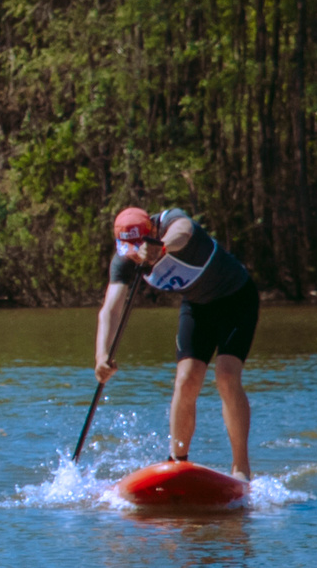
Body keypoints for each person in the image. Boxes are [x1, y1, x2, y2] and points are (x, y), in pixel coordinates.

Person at [92, 205, 259, 479]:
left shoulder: (172, 221)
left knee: (227, 376)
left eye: (138, 246)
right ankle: (177, 463)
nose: (134, 254)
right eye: (128, 248)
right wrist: (101, 357)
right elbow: (110, 310)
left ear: (152, 230)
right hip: (197, 307)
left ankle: (241, 468)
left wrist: (161, 246)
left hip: (237, 299)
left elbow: (184, 232)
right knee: (186, 379)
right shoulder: (124, 261)